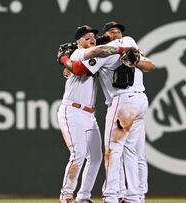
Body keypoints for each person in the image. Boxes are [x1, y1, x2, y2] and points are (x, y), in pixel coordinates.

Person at [61, 22, 155, 203]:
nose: (116, 34)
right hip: (140, 101)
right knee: (131, 152)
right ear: (105, 36)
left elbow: (80, 68)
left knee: (113, 150)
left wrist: (65, 60)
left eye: (118, 31)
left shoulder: (120, 44)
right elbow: (150, 66)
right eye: (112, 32)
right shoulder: (128, 44)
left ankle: (111, 196)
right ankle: (134, 196)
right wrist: (67, 60)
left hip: (123, 101)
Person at [57, 25, 127, 203]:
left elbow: (99, 49)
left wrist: (64, 59)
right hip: (72, 110)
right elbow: (79, 66)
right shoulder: (78, 54)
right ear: (78, 41)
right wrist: (66, 60)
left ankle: (83, 196)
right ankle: (66, 196)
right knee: (78, 154)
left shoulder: (92, 56)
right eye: (86, 37)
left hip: (89, 114)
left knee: (95, 157)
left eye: (93, 37)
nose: (91, 39)